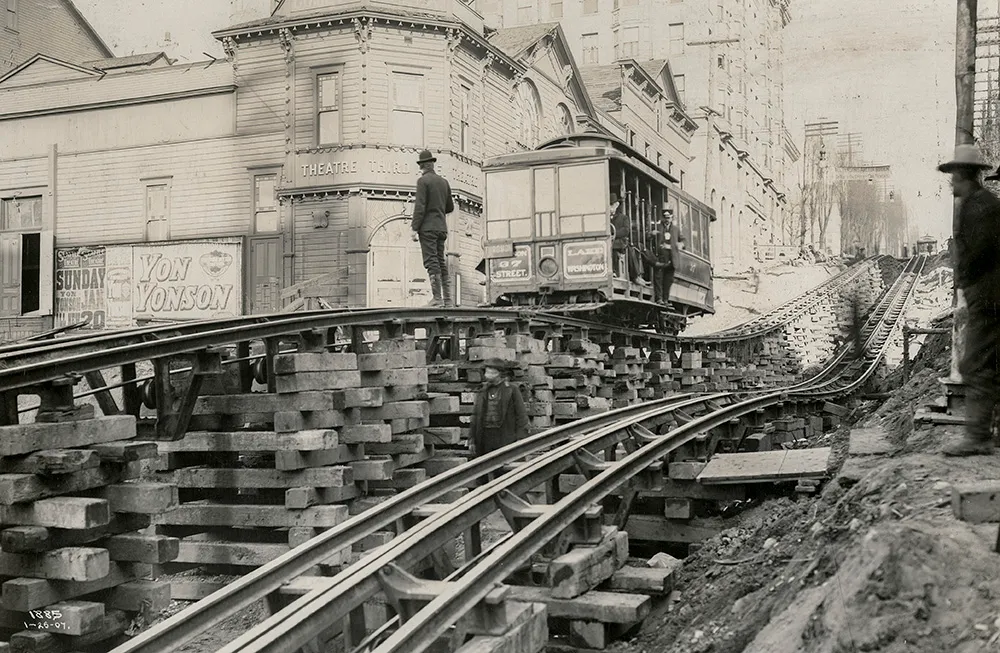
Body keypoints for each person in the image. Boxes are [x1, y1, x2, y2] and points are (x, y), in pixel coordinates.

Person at [938, 144, 1000, 456]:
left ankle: (978, 437)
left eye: (955, 177)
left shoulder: (980, 207)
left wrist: (965, 290)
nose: (952, 183)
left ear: (966, 175)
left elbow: (979, 255)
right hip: (987, 295)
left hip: (989, 297)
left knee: (975, 363)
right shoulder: (980, 203)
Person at [411, 149, 455, 307]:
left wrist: (414, 228)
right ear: (432, 164)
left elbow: (420, 207)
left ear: (421, 166)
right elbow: (450, 207)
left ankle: (437, 298)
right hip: (441, 228)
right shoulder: (444, 182)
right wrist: (437, 209)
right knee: (440, 261)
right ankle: (448, 299)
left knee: (431, 262)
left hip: (428, 229)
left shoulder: (423, 181)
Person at [468, 358, 529, 461]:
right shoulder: (483, 391)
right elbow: (475, 417)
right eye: (487, 371)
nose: (488, 374)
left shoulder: (511, 390)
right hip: (485, 437)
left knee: (506, 468)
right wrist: (472, 439)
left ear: (499, 373)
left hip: (505, 436)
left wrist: (521, 438)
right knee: (485, 469)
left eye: (491, 371)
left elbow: (521, 415)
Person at [610, 193, 649, 285]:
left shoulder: (623, 218)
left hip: (619, 242)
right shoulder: (603, 217)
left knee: (615, 247)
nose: (610, 207)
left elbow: (625, 230)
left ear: (617, 205)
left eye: (611, 205)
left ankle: (616, 271)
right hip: (607, 241)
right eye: (608, 205)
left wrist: (613, 233)